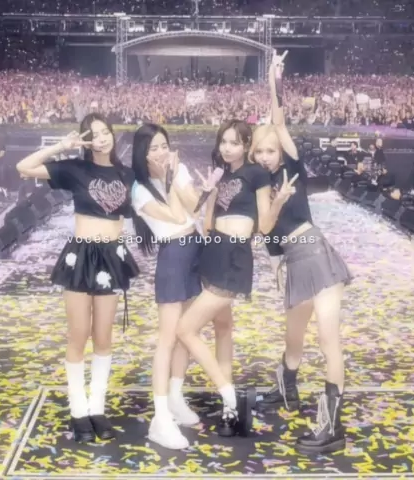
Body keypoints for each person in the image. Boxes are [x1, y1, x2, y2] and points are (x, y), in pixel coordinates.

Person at [16, 113, 139, 444]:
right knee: (79, 334)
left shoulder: (127, 174)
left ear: (113, 134)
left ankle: (96, 408)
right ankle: (78, 409)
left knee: (103, 337)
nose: (102, 138)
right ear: (86, 140)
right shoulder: (75, 169)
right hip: (82, 256)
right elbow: (24, 167)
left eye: (105, 131)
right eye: (94, 134)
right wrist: (62, 146)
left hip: (112, 257)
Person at [251, 51, 352, 454]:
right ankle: (286, 389)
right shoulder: (260, 185)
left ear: (281, 151)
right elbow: (265, 230)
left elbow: (278, 121)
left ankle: (332, 426)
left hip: (315, 254)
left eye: (269, 150)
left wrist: (274, 80)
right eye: (259, 151)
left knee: (328, 340)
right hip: (293, 263)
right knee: (293, 337)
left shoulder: (292, 167)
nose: (264, 156)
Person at [176, 119, 297, 438]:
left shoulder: (257, 174)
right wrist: (207, 193)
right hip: (213, 251)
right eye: (223, 142)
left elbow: (265, 225)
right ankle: (228, 407)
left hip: (234, 257)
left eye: (234, 143)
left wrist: (279, 200)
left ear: (246, 145)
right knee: (223, 328)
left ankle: (229, 395)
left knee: (185, 329)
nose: (227, 148)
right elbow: (206, 221)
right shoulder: (221, 174)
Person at [130, 123, 234, 449]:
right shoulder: (139, 189)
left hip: (195, 250)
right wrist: (169, 180)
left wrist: (177, 178)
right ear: (142, 154)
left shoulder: (180, 169)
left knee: (187, 332)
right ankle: (160, 418)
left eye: (164, 145)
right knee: (167, 338)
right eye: (154, 148)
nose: (161, 152)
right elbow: (176, 217)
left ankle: (175, 396)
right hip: (173, 257)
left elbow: (192, 207)